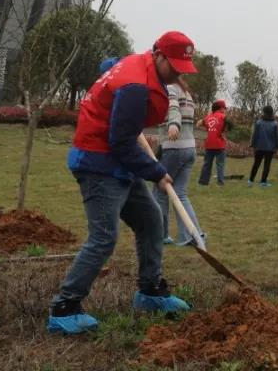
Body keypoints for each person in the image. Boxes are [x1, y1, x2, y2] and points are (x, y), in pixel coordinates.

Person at [47, 32, 198, 335]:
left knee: (151, 220)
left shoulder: (139, 67)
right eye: (175, 64)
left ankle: (150, 292)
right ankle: (65, 307)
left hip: (119, 164)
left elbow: (115, 76)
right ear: (158, 54)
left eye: (185, 65)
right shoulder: (134, 86)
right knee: (104, 237)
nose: (179, 71)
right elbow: (120, 142)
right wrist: (156, 171)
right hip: (98, 163)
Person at [153, 78, 204, 247]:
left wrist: (173, 124)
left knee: (160, 190)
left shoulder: (170, 88)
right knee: (180, 193)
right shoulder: (186, 92)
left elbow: (173, 106)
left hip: (173, 146)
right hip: (190, 147)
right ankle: (193, 234)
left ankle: (161, 234)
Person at [197, 100, 231, 186]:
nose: (225, 110)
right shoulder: (223, 116)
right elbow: (230, 124)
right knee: (220, 165)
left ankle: (203, 182)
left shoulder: (208, 117)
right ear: (221, 108)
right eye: (224, 108)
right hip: (219, 144)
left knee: (207, 164)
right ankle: (220, 183)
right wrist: (225, 131)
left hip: (209, 144)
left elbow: (199, 123)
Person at [248, 105, 278, 187]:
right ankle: (263, 182)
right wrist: (277, 146)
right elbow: (277, 136)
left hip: (259, 147)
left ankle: (250, 180)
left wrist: (253, 144)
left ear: (264, 112)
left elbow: (255, 135)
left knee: (256, 164)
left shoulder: (259, 123)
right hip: (270, 148)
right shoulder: (275, 124)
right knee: (267, 165)